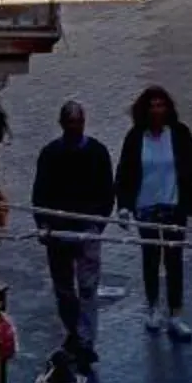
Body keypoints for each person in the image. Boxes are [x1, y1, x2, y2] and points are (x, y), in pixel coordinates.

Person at [114, 85, 192, 343]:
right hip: (146, 207)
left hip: (173, 205)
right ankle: (153, 307)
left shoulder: (179, 133)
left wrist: (188, 179)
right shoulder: (135, 137)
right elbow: (125, 173)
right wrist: (124, 205)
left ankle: (176, 313)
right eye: (153, 105)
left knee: (175, 259)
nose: (157, 110)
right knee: (151, 258)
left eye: (161, 105)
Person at [31, 100, 115, 366]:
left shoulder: (97, 153)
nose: (74, 127)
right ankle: (77, 333)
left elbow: (106, 190)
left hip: (85, 227)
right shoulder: (51, 154)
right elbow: (40, 193)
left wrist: (98, 223)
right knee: (64, 288)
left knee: (87, 286)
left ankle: (84, 338)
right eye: (70, 122)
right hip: (58, 229)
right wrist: (43, 224)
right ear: (63, 124)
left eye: (77, 122)